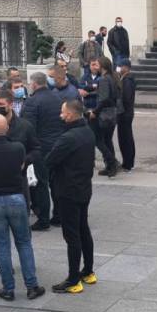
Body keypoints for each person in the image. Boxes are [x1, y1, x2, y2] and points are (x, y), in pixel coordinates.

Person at [0, 113, 44, 301]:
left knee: (2, 245)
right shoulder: (18, 148)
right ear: (7, 129)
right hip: (16, 197)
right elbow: (23, 164)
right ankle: (32, 286)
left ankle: (8, 289)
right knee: (24, 242)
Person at [45, 98, 97, 294]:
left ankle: (74, 279)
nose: (60, 115)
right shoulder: (87, 131)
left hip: (67, 191)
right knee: (83, 229)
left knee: (72, 235)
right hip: (84, 188)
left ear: (70, 115)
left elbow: (50, 160)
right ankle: (88, 271)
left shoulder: (68, 138)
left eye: (62, 112)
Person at [22, 66, 79, 230]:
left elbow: (28, 128)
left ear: (33, 85)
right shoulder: (57, 98)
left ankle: (43, 218)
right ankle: (59, 215)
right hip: (58, 145)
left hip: (41, 148)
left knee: (41, 183)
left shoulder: (32, 102)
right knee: (56, 182)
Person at [88, 57, 121, 177]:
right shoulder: (112, 78)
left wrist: (95, 112)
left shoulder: (104, 80)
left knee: (99, 140)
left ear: (102, 67)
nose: (95, 67)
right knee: (107, 140)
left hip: (104, 114)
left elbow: (103, 98)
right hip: (112, 113)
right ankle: (110, 166)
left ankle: (112, 162)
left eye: (97, 65)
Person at [117, 59, 136, 172]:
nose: (118, 68)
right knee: (125, 137)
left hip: (125, 113)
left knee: (125, 138)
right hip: (126, 112)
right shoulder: (125, 78)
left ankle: (128, 163)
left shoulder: (127, 80)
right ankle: (127, 162)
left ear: (126, 67)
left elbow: (126, 98)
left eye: (120, 66)